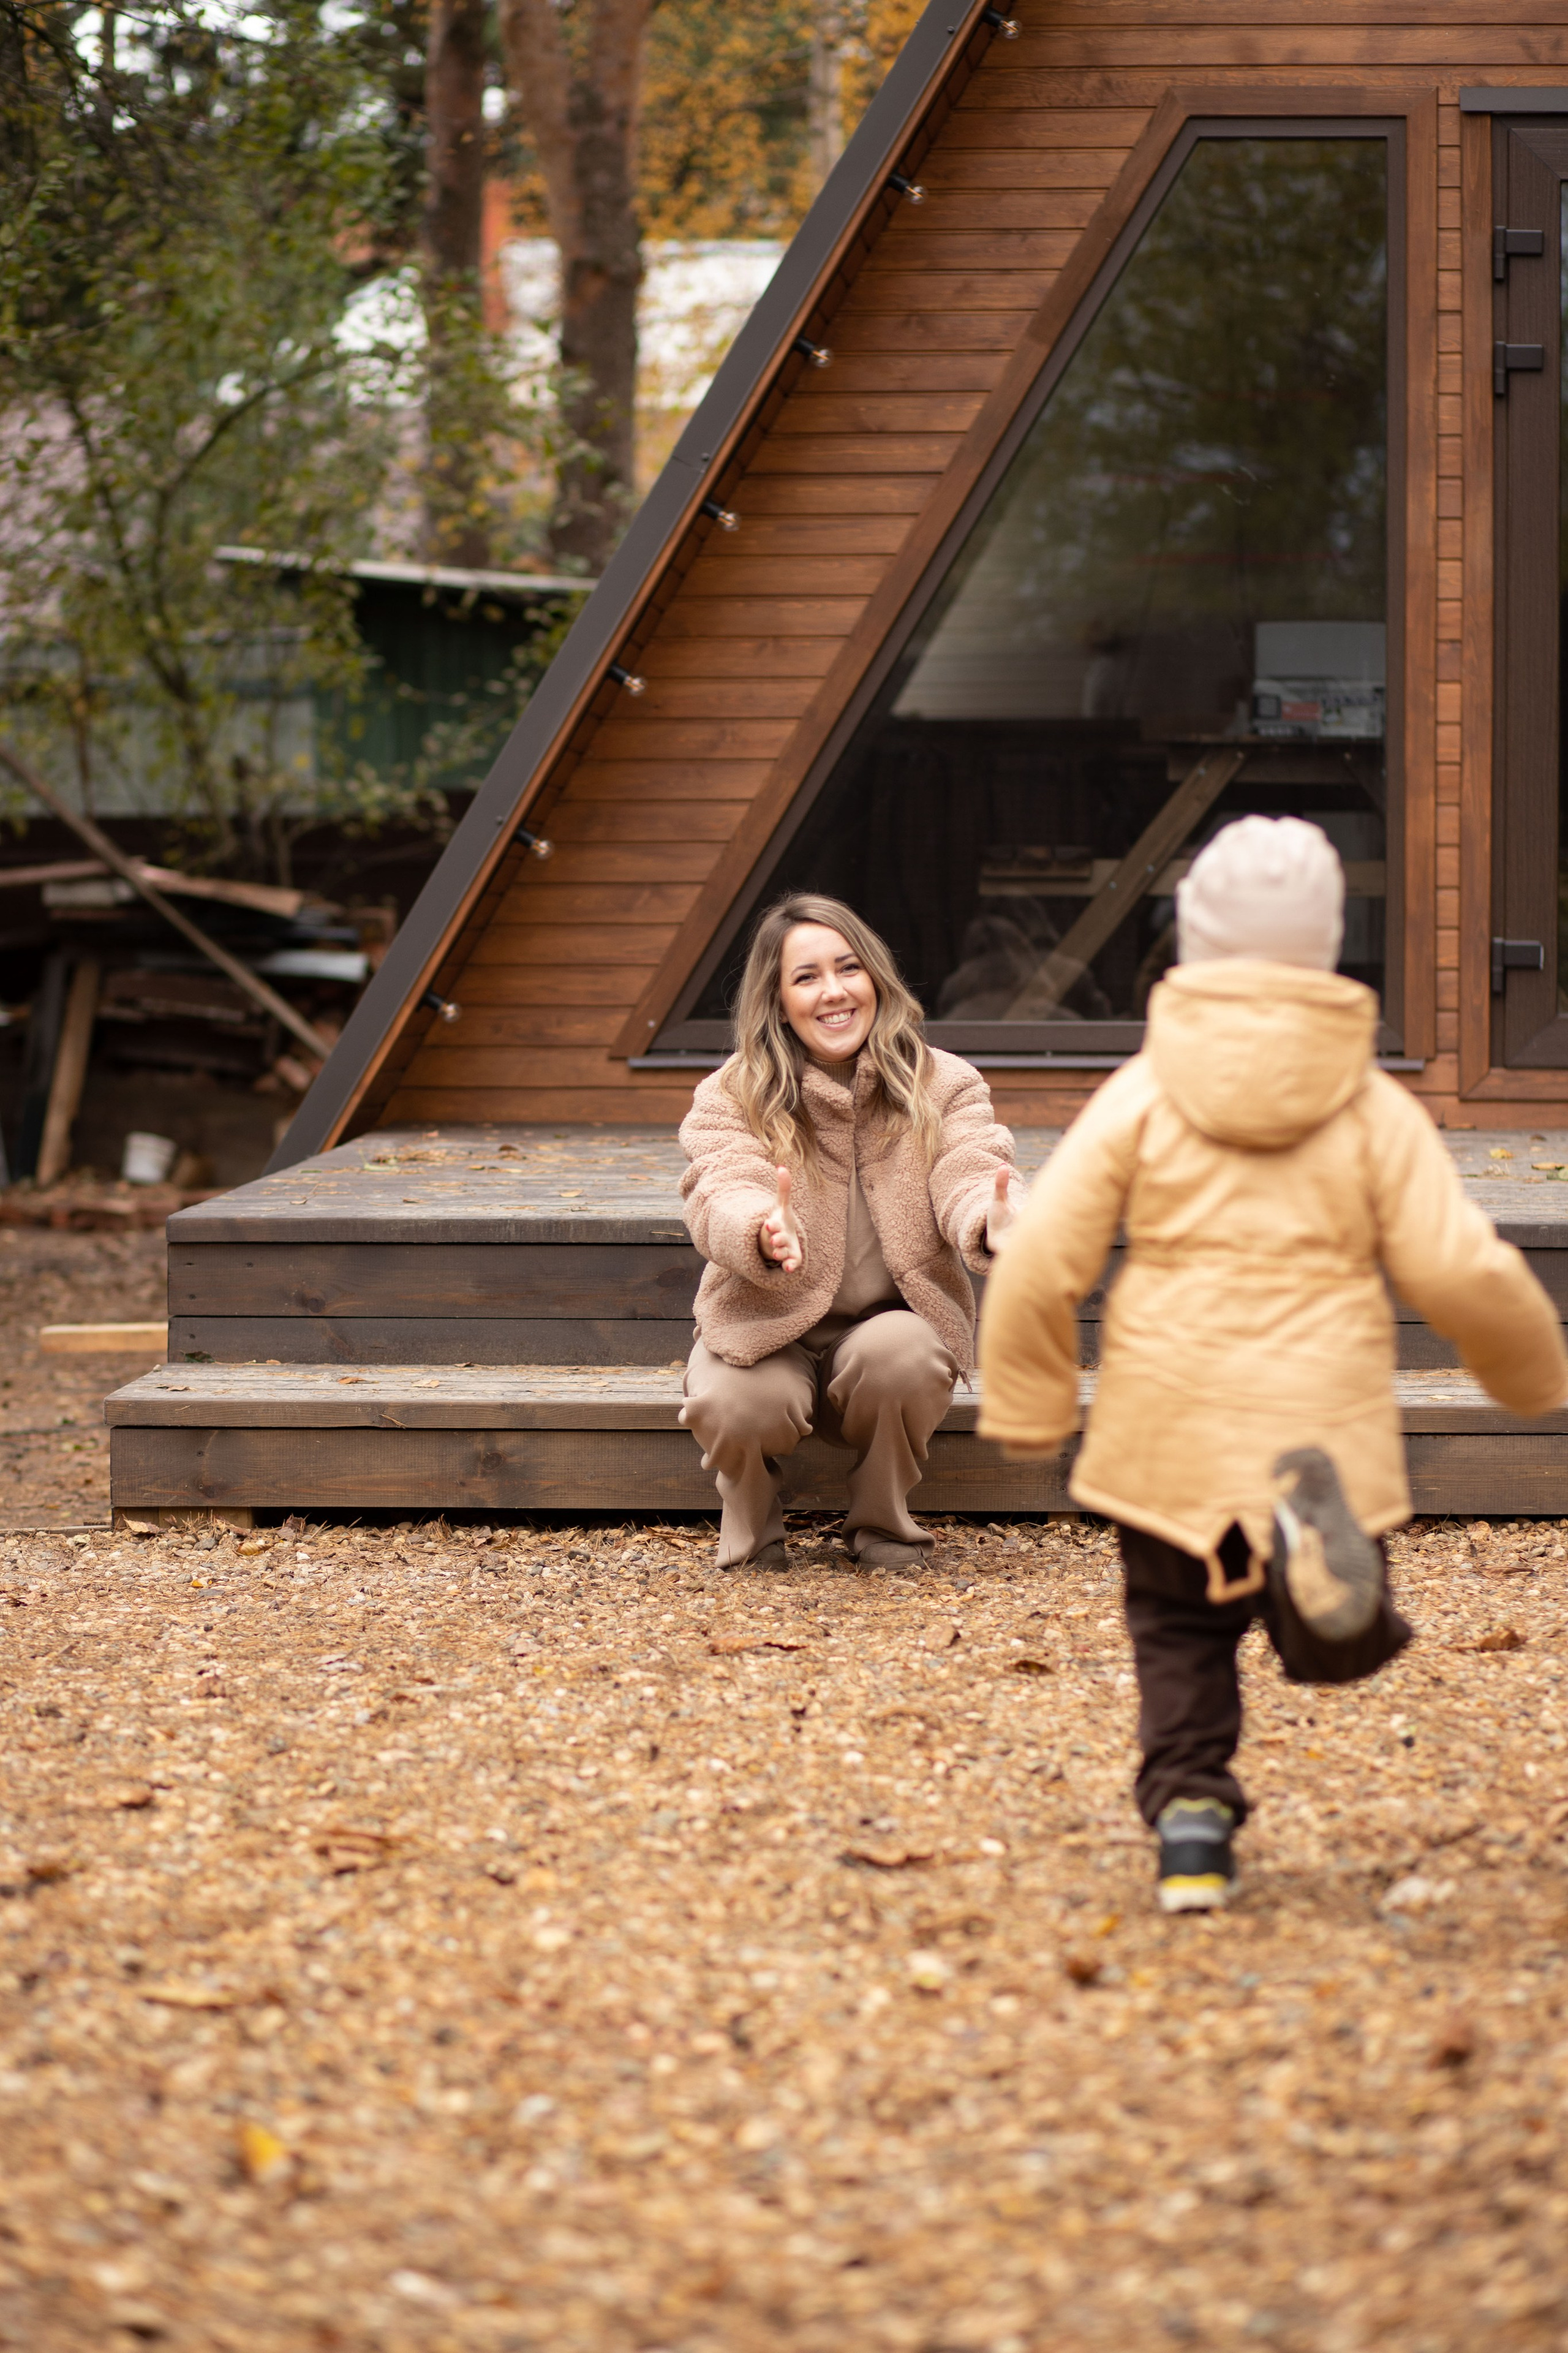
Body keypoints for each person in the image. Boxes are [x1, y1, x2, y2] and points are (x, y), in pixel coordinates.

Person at [976, 815, 1568, 1912]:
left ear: (1194, 934)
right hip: (1317, 1418)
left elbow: (1045, 1252)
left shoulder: (1144, 1093)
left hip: (1170, 1420)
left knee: (1178, 1629)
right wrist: (1534, 1374)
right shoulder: (1372, 1104)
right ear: (1327, 942)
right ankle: (1320, 1594)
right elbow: (1457, 1264)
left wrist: (1030, 1400)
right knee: (1335, 1627)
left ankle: (1192, 1821)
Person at [679, 893, 1019, 1570]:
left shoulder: (944, 1082)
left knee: (905, 1353)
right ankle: (752, 1529)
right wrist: (758, 1227)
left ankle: (883, 1526)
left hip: (882, 1337)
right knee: (737, 1403)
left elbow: (971, 1167)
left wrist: (992, 1218)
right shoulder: (731, 1092)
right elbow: (719, 1184)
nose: (833, 992)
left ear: (876, 979)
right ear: (778, 1001)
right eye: (807, 977)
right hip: (763, 1327)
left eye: (848, 968)